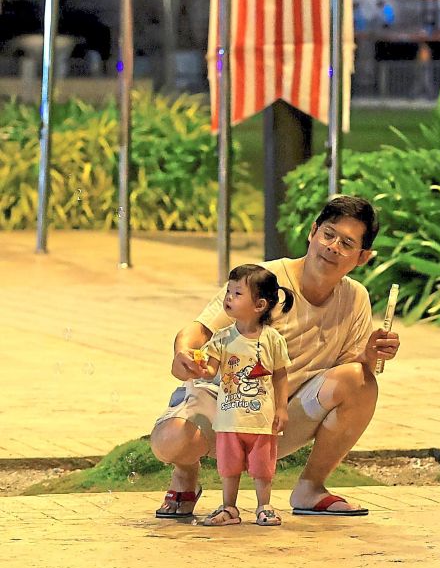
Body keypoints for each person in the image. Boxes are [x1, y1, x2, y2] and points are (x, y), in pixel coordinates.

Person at [151, 195, 400, 520]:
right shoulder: (263, 280)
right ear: (313, 232)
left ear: (363, 257)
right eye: (329, 234)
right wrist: (183, 351)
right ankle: (185, 474)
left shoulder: (355, 299)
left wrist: (369, 354)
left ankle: (311, 488)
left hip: (280, 419)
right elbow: (198, 329)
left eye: (347, 243)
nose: (333, 247)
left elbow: (350, 376)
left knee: (360, 381)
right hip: (222, 410)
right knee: (169, 441)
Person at [195, 264, 293, 528]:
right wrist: (201, 367)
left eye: (237, 293)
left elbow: (281, 375)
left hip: (262, 421)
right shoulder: (222, 338)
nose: (228, 298)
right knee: (229, 468)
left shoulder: (273, 339)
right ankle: (229, 507)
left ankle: (264, 506)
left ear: (260, 304)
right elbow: (211, 371)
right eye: (229, 291)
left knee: (262, 468)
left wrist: (282, 409)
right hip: (229, 421)